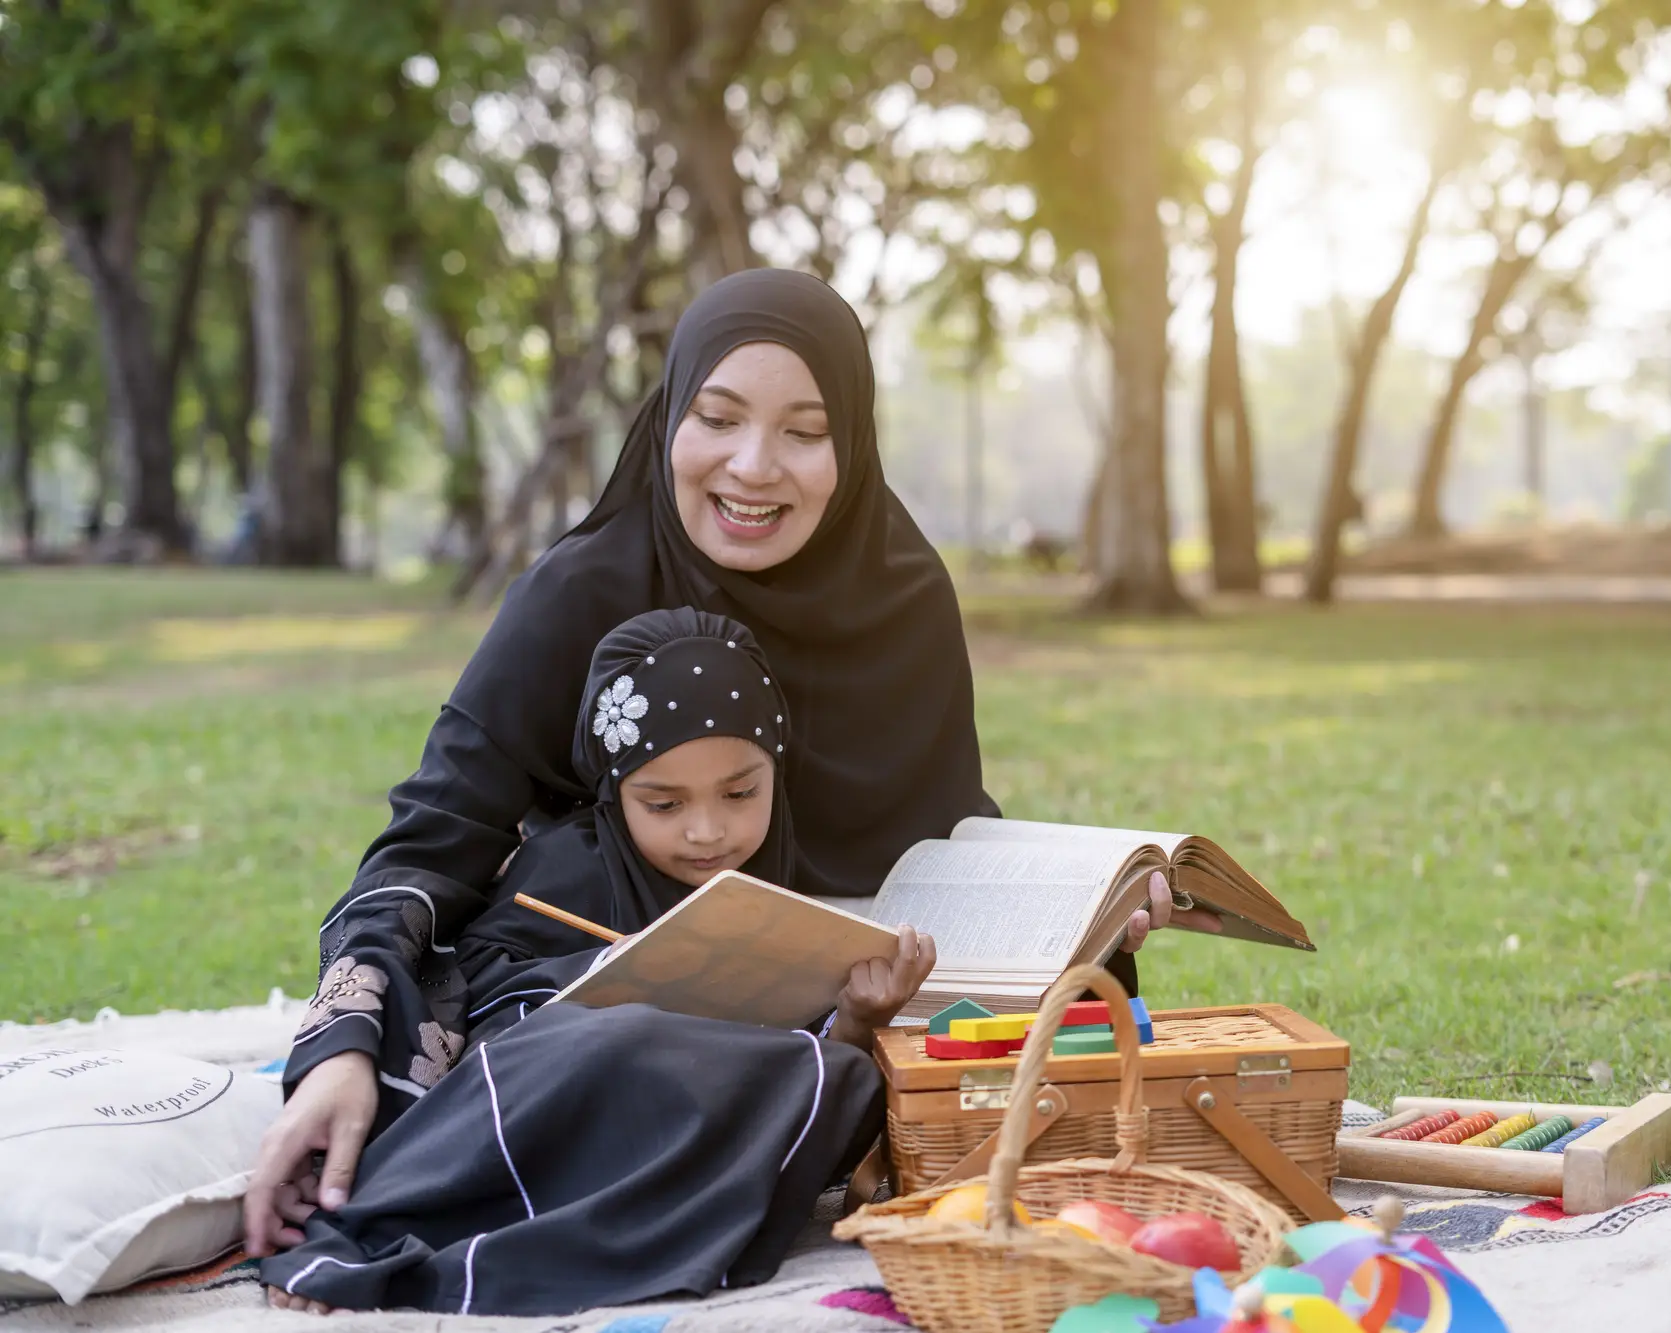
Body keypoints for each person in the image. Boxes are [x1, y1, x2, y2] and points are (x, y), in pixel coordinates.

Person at [246, 269, 1214, 1259]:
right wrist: (339, 1050)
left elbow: (941, 834)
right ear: (669, 417)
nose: (754, 467)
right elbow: (429, 845)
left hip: (859, 1007)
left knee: (1070, 1014)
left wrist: (1081, 912)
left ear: (851, 443)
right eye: (717, 417)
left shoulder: (902, 598)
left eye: (803, 430)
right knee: (577, 1054)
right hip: (609, 1003)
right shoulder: (580, 594)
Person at [259, 609, 926, 1315]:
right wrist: (602, 977)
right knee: (624, 1040)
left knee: (838, 1071)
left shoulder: (775, 878)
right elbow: (486, 1012)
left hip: (688, 1100)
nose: (708, 831)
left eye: (740, 792)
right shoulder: (564, 869)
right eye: (663, 802)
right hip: (568, 1094)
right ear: (614, 790)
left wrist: (854, 1017)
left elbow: (790, 1051)